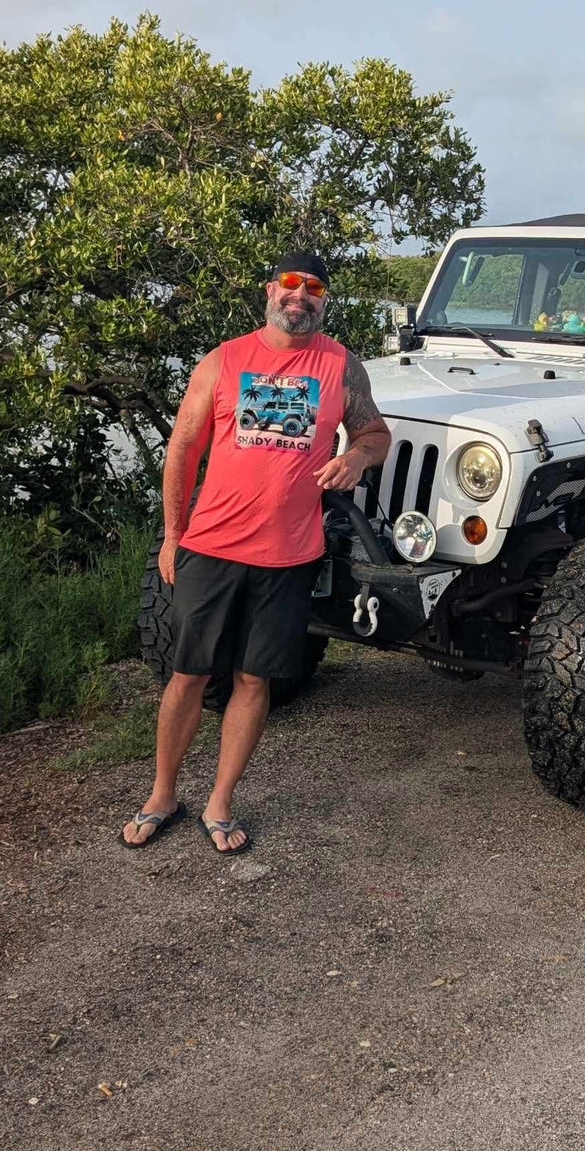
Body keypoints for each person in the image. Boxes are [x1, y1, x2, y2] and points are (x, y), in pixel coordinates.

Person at [121, 252, 391, 853]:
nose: (301, 296)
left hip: (291, 554)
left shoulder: (341, 366)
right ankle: (162, 793)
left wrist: (354, 458)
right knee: (188, 674)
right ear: (270, 291)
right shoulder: (223, 361)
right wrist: (172, 534)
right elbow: (183, 450)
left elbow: (375, 434)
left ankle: (219, 803)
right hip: (212, 545)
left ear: (324, 299)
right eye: (291, 284)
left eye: (314, 287)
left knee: (252, 678)